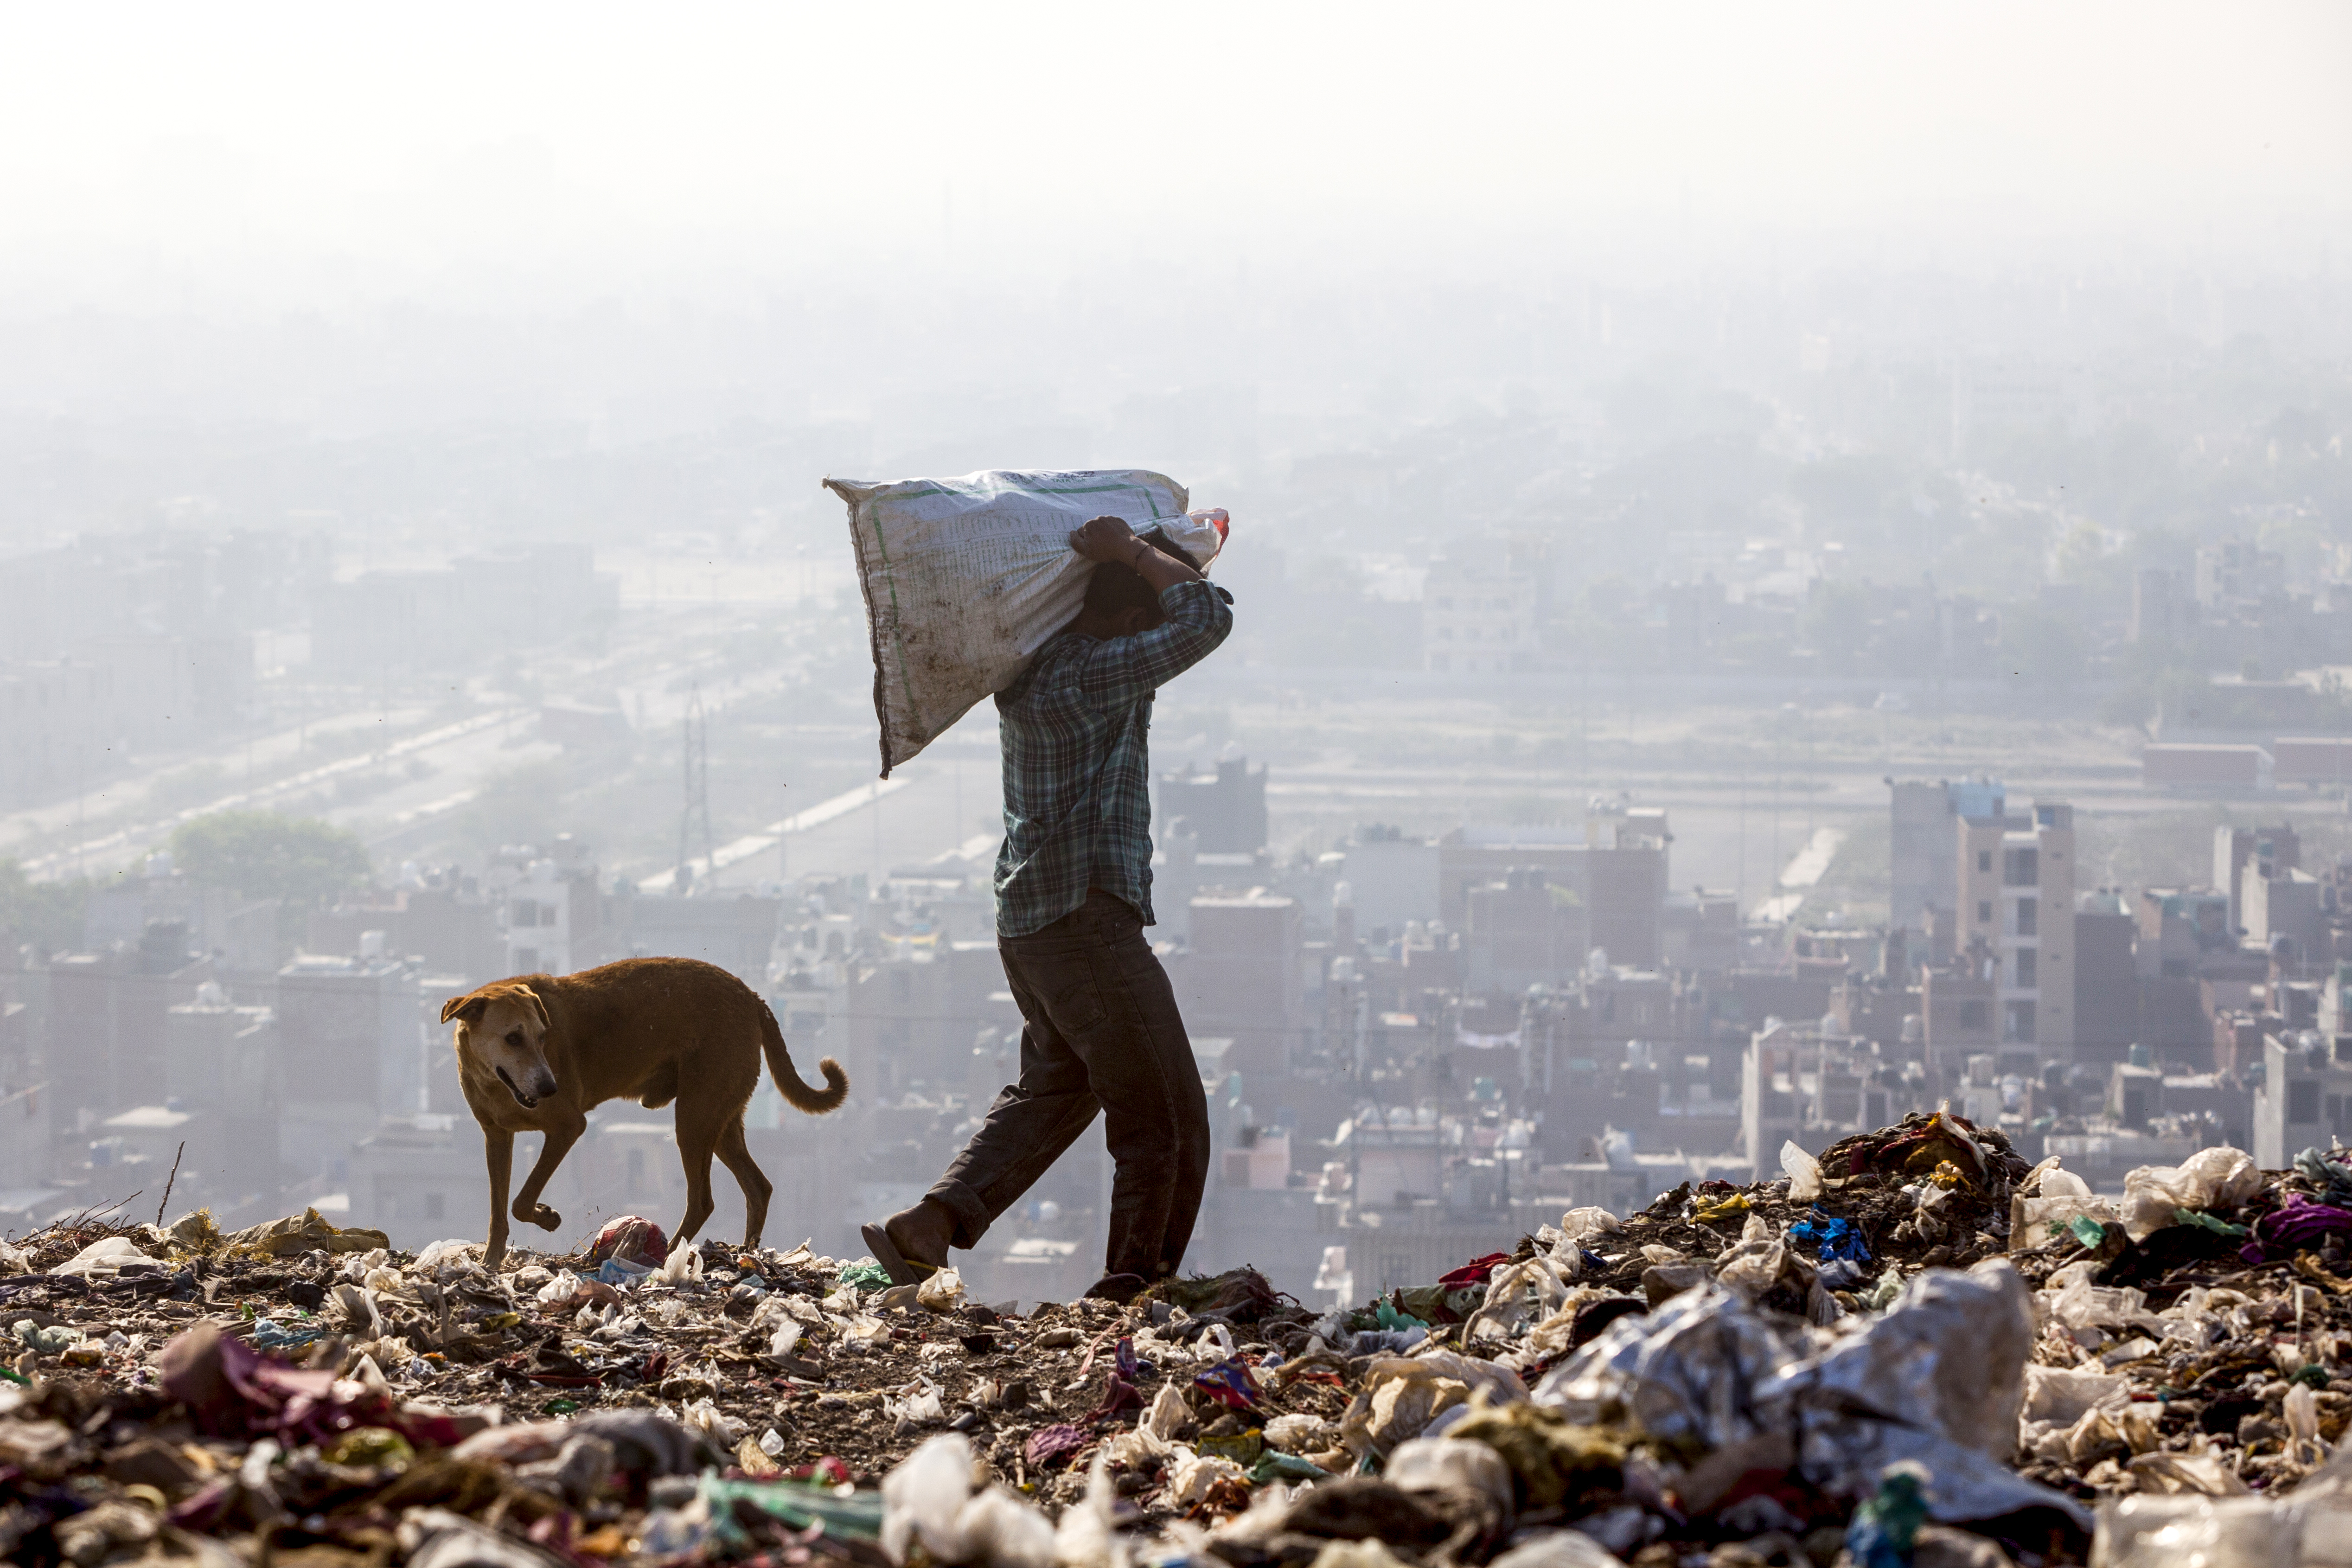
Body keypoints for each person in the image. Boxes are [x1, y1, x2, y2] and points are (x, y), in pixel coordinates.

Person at [862, 513, 1233, 1303]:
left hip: (1034, 922)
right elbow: (1208, 616)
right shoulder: (1091, 675)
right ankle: (1134, 1288)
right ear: (1133, 619)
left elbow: (1183, 609)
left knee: (1060, 1087)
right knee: (1164, 1112)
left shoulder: (1042, 666)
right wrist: (1133, 550)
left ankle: (930, 1224)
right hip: (1084, 921)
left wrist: (1157, 554)